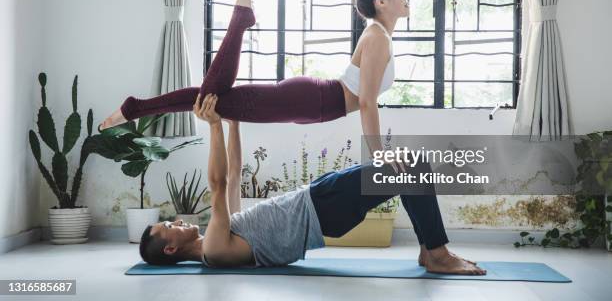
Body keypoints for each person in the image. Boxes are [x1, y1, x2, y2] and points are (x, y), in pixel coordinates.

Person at [138, 93, 486, 275]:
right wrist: (213, 126)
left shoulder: (221, 235)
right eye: (169, 226)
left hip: (320, 199)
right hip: (322, 207)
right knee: (411, 165)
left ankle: (429, 251)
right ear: (170, 249)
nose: (177, 220)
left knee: (409, 170)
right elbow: (217, 184)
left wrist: (233, 124)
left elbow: (233, 178)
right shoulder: (213, 250)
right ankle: (437, 253)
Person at [99, 0, 408, 166]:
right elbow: (367, 102)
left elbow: (366, 100)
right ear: (381, 2)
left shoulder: (379, 36)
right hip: (310, 100)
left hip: (313, 103)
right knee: (214, 99)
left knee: (212, 96)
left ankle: (241, 19)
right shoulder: (378, 37)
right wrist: (379, 153)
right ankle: (240, 19)